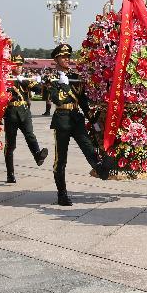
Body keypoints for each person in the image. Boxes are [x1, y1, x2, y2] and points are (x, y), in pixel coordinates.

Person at [48, 43, 109, 206]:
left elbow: (82, 101)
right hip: (61, 119)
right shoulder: (52, 77)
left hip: (76, 118)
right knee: (61, 159)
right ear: (56, 59)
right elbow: (57, 98)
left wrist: (93, 120)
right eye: (63, 57)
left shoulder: (76, 77)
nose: (67, 59)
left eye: (68, 56)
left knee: (88, 147)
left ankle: (101, 170)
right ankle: (62, 194)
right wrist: (63, 84)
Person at [3, 54, 48, 183]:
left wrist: (26, 81)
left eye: (20, 65)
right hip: (11, 112)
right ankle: (10, 173)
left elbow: (39, 90)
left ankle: (38, 155)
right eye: (16, 65)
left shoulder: (25, 78)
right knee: (10, 145)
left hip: (24, 110)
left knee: (30, 135)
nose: (18, 67)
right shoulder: (6, 79)